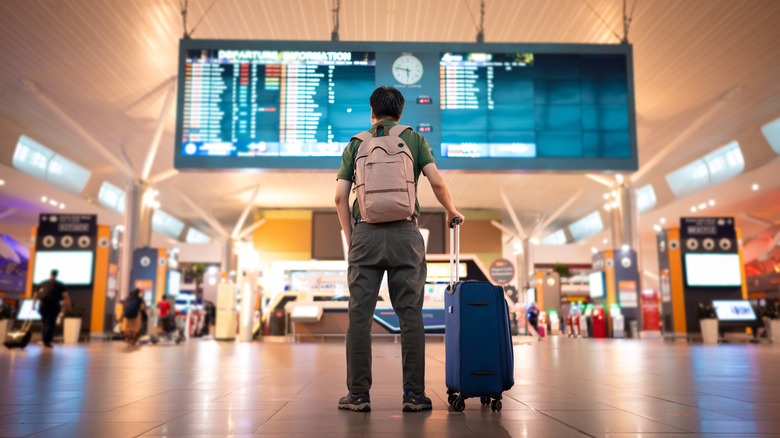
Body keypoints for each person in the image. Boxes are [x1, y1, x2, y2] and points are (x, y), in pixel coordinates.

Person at [334, 86, 464, 412]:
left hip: (365, 233)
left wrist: (353, 238)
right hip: (407, 233)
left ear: (372, 112)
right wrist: (451, 211)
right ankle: (414, 395)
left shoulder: (356, 143)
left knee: (359, 316)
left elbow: (338, 197)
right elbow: (436, 182)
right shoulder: (414, 139)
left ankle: (359, 395)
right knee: (410, 316)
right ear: (401, 112)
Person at [31, 269, 71, 348]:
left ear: (50, 274)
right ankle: (47, 341)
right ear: (57, 275)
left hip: (42, 305)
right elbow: (65, 296)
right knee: (51, 323)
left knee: (45, 322)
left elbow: (35, 295)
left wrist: (33, 305)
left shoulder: (43, 283)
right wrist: (69, 307)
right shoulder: (60, 284)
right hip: (54, 306)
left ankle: (44, 340)